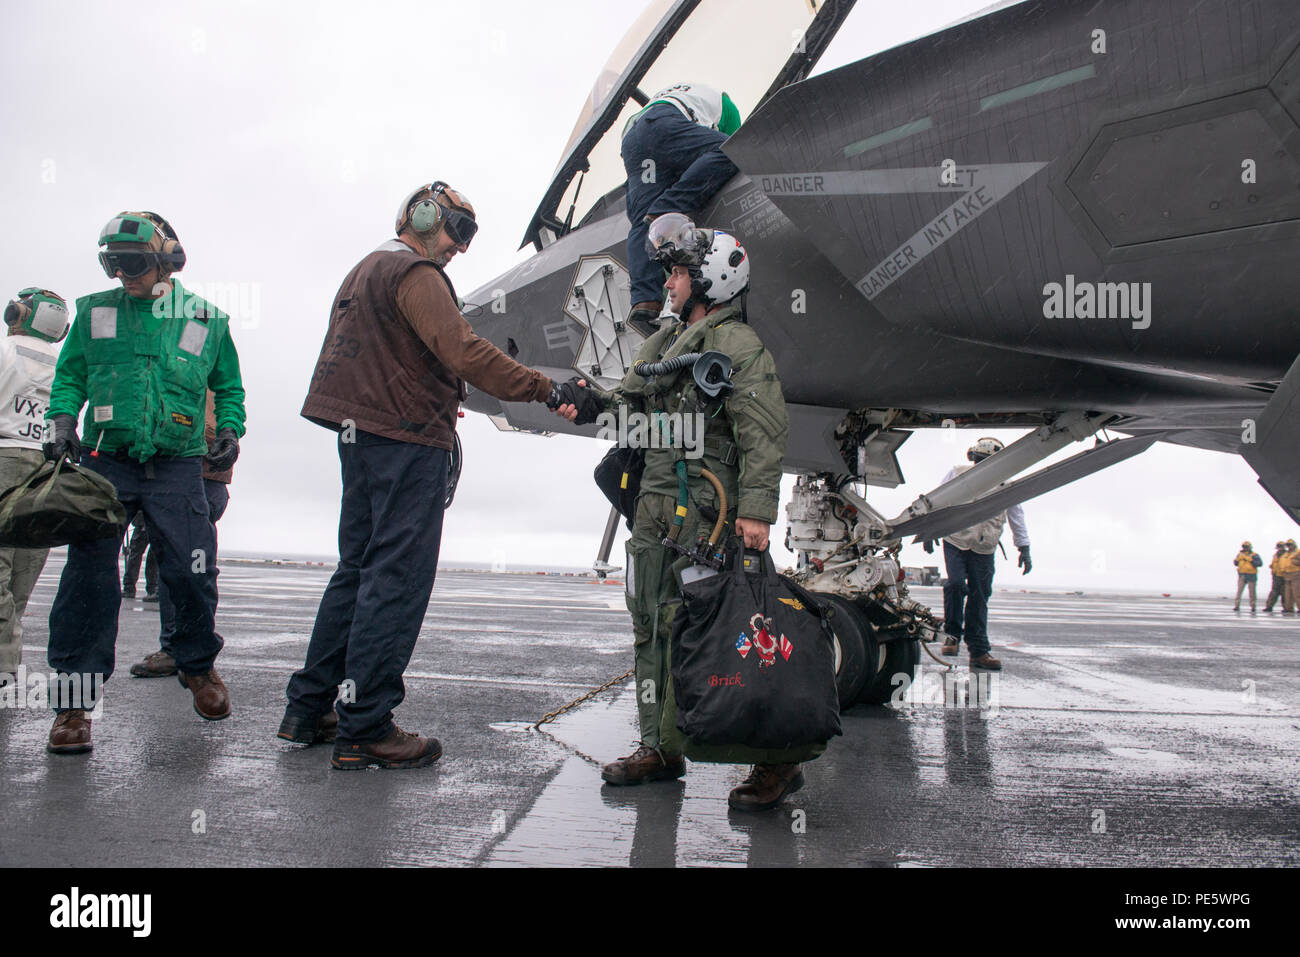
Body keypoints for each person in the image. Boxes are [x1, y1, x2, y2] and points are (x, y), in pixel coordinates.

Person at [281, 181, 559, 769]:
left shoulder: (362, 271)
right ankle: (366, 727)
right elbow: (465, 351)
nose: (459, 246)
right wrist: (545, 387)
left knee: (355, 571)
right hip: (406, 440)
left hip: (362, 436)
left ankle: (309, 709)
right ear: (424, 215)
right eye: (456, 229)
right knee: (396, 578)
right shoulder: (416, 274)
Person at [555, 214, 803, 812]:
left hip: (708, 512)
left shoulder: (737, 347)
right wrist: (589, 403)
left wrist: (757, 511)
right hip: (655, 509)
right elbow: (629, 402)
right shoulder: (664, 345)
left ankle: (776, 761)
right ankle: (659, 748)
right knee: (649, 624)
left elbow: (763, 432)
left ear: (711, 278)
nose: (669, 284)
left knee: (725, 632)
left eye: (680, 274)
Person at [43, 211, 245, 754]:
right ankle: (73, 709)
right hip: (106, 460)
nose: (123, 277)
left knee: (192, 569)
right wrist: (63, 421)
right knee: (89, 580)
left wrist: (230, 430)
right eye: (113, 265)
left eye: (132, 264)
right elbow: (70, 377)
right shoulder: (94, 312)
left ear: (164, 257)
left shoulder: (207, 319)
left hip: (179, 464)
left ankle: (197, 665)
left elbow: (229, 388)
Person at [621, 82, 741, 331]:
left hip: (632, 140)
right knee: (733, 151)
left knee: (642, 219)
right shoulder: (725, 104)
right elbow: (733, 143)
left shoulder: (671, 95)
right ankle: (667, 207)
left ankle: (645, 298)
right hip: (665, 124)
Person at [129, 391, 234, 677]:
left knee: (185, 567)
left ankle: (181, 650)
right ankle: (185, 648)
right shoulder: (211, 389)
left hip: (199, 482)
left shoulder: (203, 385)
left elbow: (208, 429)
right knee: (188, 567)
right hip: (201, 482)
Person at [0, 288, 70, 683]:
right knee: (25, 569)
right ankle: (7, 659)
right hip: (47, 467)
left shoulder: (5, 351)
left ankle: (4, 662)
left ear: (19, 313)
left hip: (5, 458)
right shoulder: (65, 365)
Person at [933, 438, 1031, 670]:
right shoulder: (957, 473)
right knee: (955, 584)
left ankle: (978, 651)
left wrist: (1024, 548)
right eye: (978, 460)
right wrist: (930, 531)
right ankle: (952, 636)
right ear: (972, 458)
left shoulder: (1007, 485)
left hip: (985, 548)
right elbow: (937, 500)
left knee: (980, 595)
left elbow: (1017, 516)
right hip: (956, 540)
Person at [120, 513, 158, 601]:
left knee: (139, 555)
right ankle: (151, 588)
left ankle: (131, 588)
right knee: (141, 555)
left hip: (148, 520)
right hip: (149, 520)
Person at [1232, 541, 1262, 613]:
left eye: (1247, 547)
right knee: (1239, 591)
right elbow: (1236, 563)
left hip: (1251, 575)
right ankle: (1237, 606)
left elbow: (1259, 564)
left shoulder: (1254, 555)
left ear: (1250, 547)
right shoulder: (1239, 555)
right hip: (1242, 574)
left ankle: (1253, 606)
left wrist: (1250, 560)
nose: (1245, 548)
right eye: (1244, 547)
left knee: (1252, 592)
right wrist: (1236, 560)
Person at [1263, 541, 1288, 613]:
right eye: (1279, 547)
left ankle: (1286, 607)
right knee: (1274, 592)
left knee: (1284, 593)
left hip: (1284, 576)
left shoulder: (1287, 555)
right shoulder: (1275, 555)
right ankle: (1269, 606)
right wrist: (1272, 566)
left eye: (1281, 546)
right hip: (1276, 576)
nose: (1280, 548)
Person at [1282, 539, 1300, 615]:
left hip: (1296, 574)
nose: (1289, 547)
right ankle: (1289, 608)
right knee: (1288, 593)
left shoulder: (1298, 552)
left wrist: (1294, 562)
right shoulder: (1286, 554)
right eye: (1288, 545)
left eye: (1290, 545)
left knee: (1297, 593)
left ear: (1294, 545)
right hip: (1287, 574)